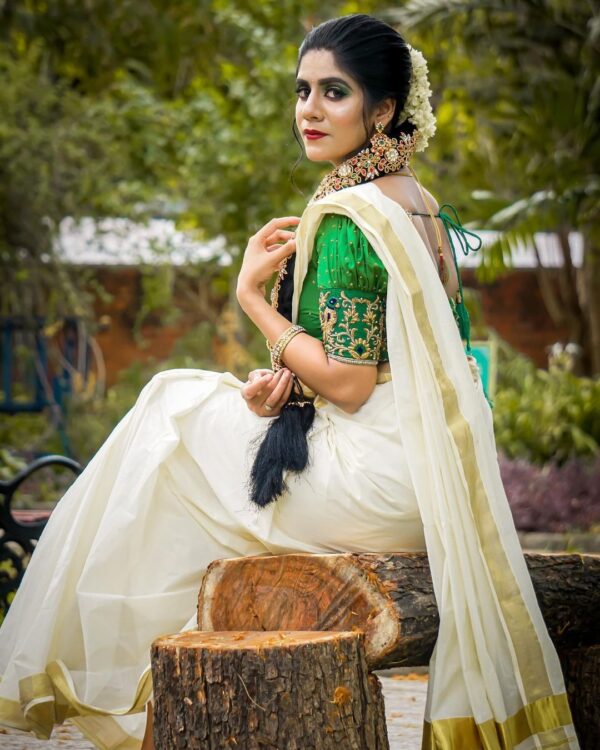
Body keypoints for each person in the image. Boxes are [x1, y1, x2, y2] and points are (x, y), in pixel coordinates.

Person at [0, 13, 579, 750]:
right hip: (423, 477)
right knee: (187, 437)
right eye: (302, 90)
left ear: (383, 111)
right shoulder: (416, 203)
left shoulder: (347, 219)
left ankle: (92, 673)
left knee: (169, 408)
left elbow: (351, 382)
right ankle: (146, 684)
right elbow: (382, 371)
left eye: (333, 92)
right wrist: (286, 387)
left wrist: (250, 300)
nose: (309, 109)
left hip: (379, 482)